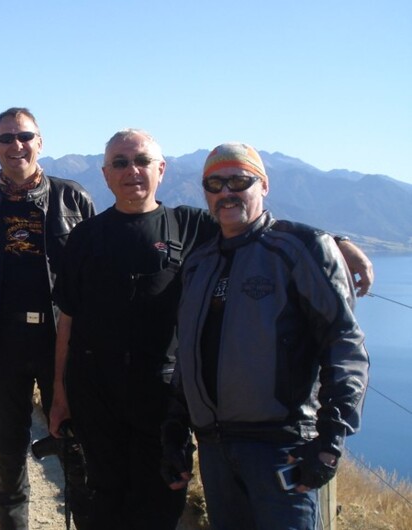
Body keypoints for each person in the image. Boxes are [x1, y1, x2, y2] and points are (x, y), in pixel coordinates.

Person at [50, 130, 374, 529]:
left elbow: (340, 336)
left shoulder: (193, 227)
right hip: (136, 413)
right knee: (102, 506)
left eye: (239, 181)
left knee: (158, 512)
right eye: (120, 163)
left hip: (240, 429)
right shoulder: (99, 239)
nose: (226, 192)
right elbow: (70, 320)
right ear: (105, 173)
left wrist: (339, 243)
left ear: (161, 169)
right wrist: (61, 397)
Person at [164, 142, 370, 530]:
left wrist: (329, 441)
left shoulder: (300, 250)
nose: (226, 193)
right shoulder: (198, 264)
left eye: (239, 181)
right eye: (214, 184)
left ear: (263, 185)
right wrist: (176, 429)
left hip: (282, 448)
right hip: (215, 450)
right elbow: (186, 354)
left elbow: (344, 345)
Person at [0, 107, 95, 529]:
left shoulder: (74, 199)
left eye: (25, 136)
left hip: (64, 341)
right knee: (9, 451)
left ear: (40, 142)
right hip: (4, 343)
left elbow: (90, 271)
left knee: (76, 446)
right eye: (6, 138)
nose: (16, 145)